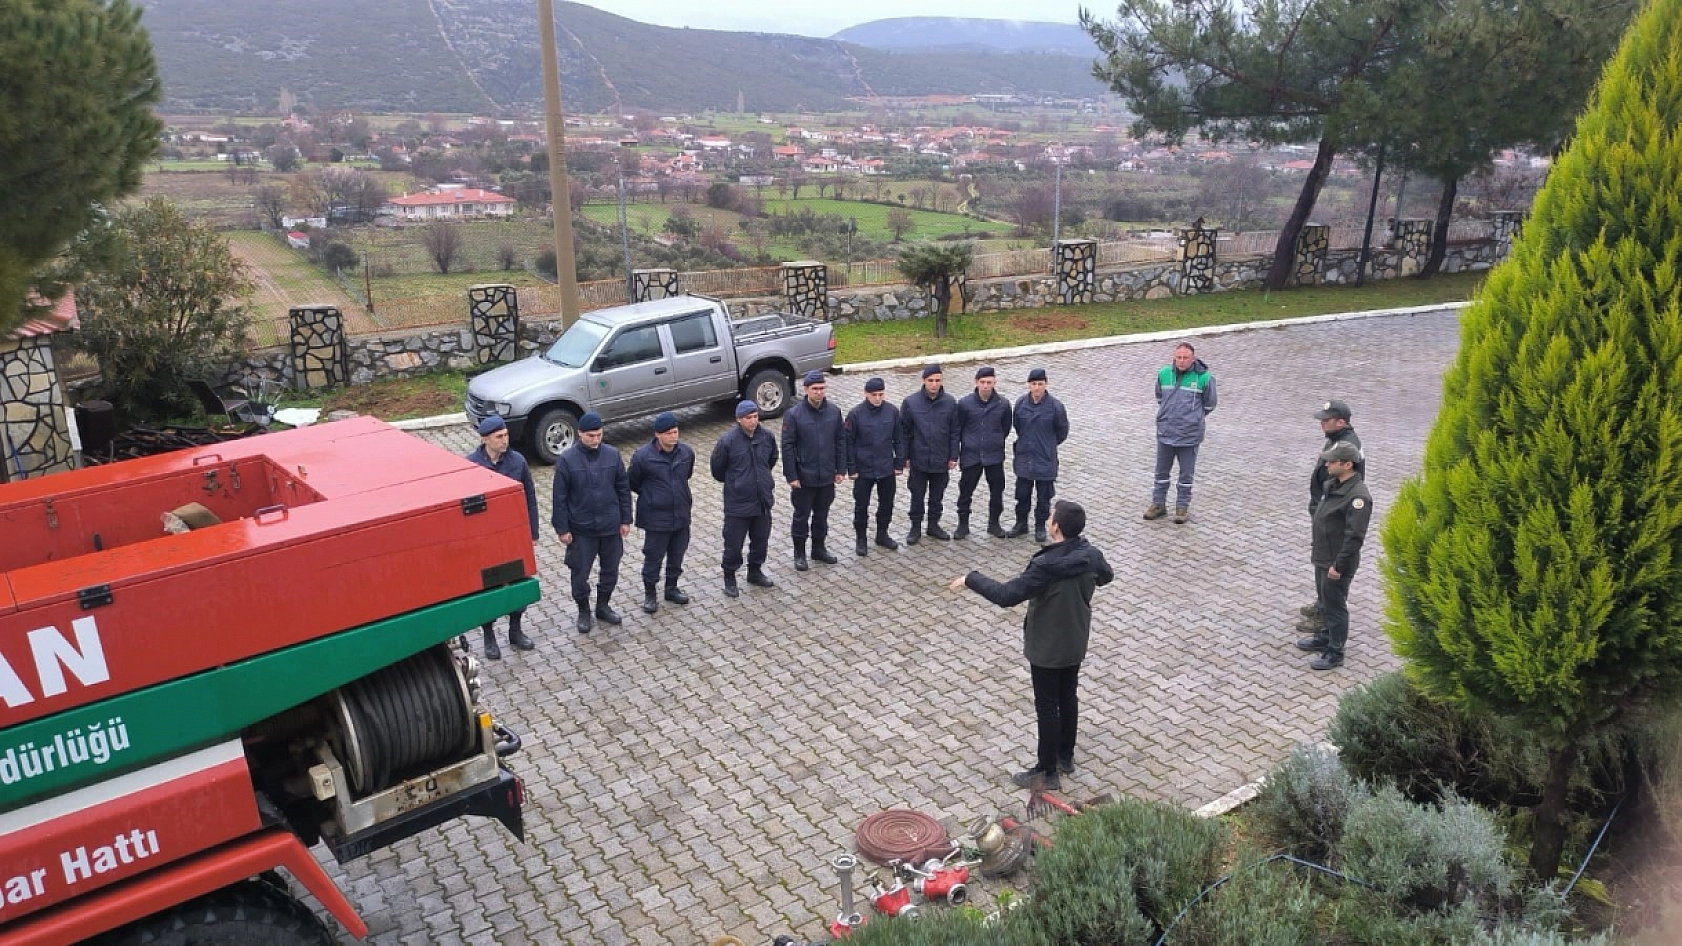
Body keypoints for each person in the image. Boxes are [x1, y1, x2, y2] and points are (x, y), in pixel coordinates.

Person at [950, 500, 1112, 791]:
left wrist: (971, 578)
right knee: (1068, 696)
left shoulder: (1045, 566)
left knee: (1048, 707)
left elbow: (1006, 595)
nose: (1048, 519)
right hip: (1074, 639)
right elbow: (1106, 576)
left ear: (1056, 527)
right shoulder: (1091, 555)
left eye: (1051, 516)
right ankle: (1065, 756)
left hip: (1046, 647)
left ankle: (1046, 772)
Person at [464, 415, 538, 659]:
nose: (505, 440)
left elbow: (529, 498)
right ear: (485, 439)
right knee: (488, 589)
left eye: (506, 435)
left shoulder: (518, 461)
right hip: (485, 542)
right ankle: (489, 636)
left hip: (512, 538)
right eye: (499, 437)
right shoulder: (471, 466)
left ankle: (515, 630)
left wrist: (532, 533)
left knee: (517, 584)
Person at [551, 411, 632, 634]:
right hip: (581, 530)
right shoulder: (567, 460)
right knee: (579, 574)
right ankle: (583, 610)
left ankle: (603, 606)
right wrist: (562, 528)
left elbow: (623, 489)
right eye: (590, 436)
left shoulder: (613, 455)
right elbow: (559, 498)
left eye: (599, 435)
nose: (595, 440)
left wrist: (626, 519)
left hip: (610, 527)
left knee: (610, 570)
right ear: (580, 434)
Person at [1298, 440, 1373, 670]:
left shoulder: (1358, 497)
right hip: (1323, 555)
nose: (1327, 464)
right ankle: (1326, 636)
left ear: (1347, 464)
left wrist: (1339, 566)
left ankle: (1335, 651)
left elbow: (1354, 537)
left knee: (1335, 605)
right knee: (1324, 600)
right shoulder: (1333, 485)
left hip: (1336, 562)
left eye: (1332, 461)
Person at [1298, 399, 1365, 638]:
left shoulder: (1348, 445)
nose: (1322, 424)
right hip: (1324, 511)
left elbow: (1344, 488)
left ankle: (1328, 623)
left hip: (1333, 518)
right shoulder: (1336, 439)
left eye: (1327, 420)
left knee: (1331, 573)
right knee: (1322, 568)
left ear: (1341, 422)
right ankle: (1323, 607)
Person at [628, 411, 695, 614]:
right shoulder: (643, 457)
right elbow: (633, 482)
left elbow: (687, 475)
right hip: (656, 518)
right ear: (658, 435)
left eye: (675, 432)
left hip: (681, 514)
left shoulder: (686, 453)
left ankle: (671, 588)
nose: (673, 437)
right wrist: (653, 496)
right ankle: (650, 594)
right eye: (668, 433)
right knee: (653, 556)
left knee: (677, 554)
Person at [711, 400, 779, 597]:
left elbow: (772, 459)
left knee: (761, 540)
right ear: (739, 419)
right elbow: (718, 470)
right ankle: (730, 578)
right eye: (748, 418)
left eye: (755, 416)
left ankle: (755, 572)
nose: (753, 421)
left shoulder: (767, 436)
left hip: (762, 500)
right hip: (738, 504)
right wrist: (738, 482)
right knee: (733, 544)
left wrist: (761, 478)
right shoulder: (727, 441)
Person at [1144, 341, 1217, 525]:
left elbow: (1210, 404)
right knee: (1161, 473)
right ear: (1174, 358)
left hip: (1189, 436)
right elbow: (1159, 397)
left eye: (1185, 357)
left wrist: (1194, 418)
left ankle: (1182, 507)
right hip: (1166, 433)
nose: (1182, 361)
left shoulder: (1204, 378)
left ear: (1193, 358)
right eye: (1178, 357)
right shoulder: (1164, 374)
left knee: (1186, 475)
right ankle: (1158, 504)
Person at [782, 370, 848, 571]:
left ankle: (818, 549)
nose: (819, 392)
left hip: (827, 475)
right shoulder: (794, 415)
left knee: (822, 515)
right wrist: (791, 475)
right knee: (801, 516)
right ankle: (799, 553)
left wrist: (841, 469)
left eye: (822, 388)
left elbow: (840, 441)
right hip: (804, 477)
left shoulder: (834, 412)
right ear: (806, 390)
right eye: (815, 389)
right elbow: (787, 446)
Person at [1008, 368, 1070, 543]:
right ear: (1029, 385)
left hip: (1045, 458)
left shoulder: (1056, 407)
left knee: (1044, 497)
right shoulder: (1021, 404)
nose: (1037, 388)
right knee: (1022, 494)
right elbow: (1017, 425)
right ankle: (1021, 524)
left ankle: (1040, 527)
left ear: (1046, 384)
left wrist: (1047, 444)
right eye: (1034, 384)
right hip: (1024, 457)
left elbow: (1062, 432)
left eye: (1040, 384)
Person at [900, 363, 960, 544]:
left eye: (937, 380)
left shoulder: (950, 402)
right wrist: (905, 457)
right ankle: (915, 528)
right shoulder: (911, 402)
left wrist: (953, 456)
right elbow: (904, 432)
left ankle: (933, 526)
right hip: (918, 459)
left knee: (937, 497)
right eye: (931, 380)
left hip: (941, 459)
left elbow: (954, 431)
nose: (934, 384)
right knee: (917, 496)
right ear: (924, 381)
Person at [845, 376, 905, 555]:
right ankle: (861, 539)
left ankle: (882, 534)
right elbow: (848, 443)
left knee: (887, 504)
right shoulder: (855, 414)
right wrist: (851, 468)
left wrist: (899, 463)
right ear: (866, 394)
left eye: (881, 394)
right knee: (861, 506)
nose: (878, 398)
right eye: (874, 395)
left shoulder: (892, 411)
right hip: (863, 469)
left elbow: (899, 439)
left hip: (886, 467)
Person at [954, 365, 1013, 540]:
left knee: (997, 491)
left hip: (994, 456)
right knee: (965, 491)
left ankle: (994, 524)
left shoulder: (1003, 404)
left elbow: (1005, 428)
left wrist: (995, 440)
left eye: (989, 382)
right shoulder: (964, 404)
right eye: (982, 382)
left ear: (994, 383)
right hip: (971, 456)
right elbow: (958, 428)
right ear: (976, 382)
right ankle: (963, 525)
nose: (986, 386)